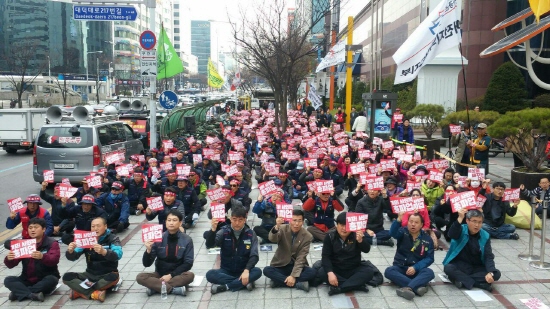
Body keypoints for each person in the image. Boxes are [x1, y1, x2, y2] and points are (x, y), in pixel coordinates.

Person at [63, 217, 123, 302]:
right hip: (89, 274)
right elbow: (73, 257)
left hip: (106, 274)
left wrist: (104, 252)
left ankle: (79, 291)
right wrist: (70, 251)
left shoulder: (112, 238)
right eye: (93, 226)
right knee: (67, 277)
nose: (95, 229)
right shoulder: (86, 239)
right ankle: (94, 294)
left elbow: (118, 255)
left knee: (114, 277)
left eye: (98, 226)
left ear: (105, 226)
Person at [136, 210, 195, 296]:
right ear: (165, 222)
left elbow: (188, 263)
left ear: (180, 223)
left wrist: (171, 275)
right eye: (169, 220)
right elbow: (146, 264)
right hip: (160, 274)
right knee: (140, 277)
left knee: (190, 275)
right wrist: (148, 251)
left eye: (174, 220)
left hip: (177, 274)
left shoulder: (187, 240)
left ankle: (157, 288)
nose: (171, 223)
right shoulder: (158, 238)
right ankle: (173, 290)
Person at [205, 206, 262, 293]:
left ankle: (225, 287)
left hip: (244, 269)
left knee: (258, 272)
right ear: (230, 219)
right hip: (226, 270)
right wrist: (213, 230)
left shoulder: (250, 234)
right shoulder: (223, 232)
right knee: (210, 274)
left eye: (240, 220)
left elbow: (254, 255)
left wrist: (246, 270)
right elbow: (210, 245)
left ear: (244, 220)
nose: (237, 223)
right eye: (234, 219)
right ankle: (243, 282)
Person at [443, 209, 501, 291]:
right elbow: (451, 234)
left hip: (476, 267)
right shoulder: (461, 229)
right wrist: (460, 218)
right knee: (448, 268)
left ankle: (460, 280)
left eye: (480, 222)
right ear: (467, 220)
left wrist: (491, 273)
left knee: (496, 274)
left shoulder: (485, 235)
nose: (477, 225)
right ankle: (478, 284)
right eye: (474, 221)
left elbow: (488, 256)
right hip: (460, 265)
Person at [4, 218, 60, 302]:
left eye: (36, 227)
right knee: (8, 280)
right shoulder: (24, 244)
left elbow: (54, 260)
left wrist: (42, 257)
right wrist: (9, 259)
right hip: (27, 279)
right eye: (30, 228)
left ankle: (19, 293)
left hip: (45, 277)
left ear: (44, 229)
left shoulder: (51, 243)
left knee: (51, 280)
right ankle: (31, 295)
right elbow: (11, 265)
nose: (33, 230)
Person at [317, 212, 373, 295]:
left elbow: (367, 250)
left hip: (353, 268)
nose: (344, 229)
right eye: (341, 225)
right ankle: (356, 285)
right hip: (336, 268)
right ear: (337, 225)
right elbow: (325, 256)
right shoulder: (329, 236)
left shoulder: (356, 235)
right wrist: (330, 273)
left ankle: (340, 288)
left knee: (369, 271)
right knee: (322, 272)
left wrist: (360, 241)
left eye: (347, 226)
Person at [385, 212, 434, 300]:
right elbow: (392, 233)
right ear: (407, 222)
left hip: (416, 270)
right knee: (389, 271)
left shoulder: (427, 239)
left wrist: (416, 267)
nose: (413, 224)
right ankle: (416, 287)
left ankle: (408, 288)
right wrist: (398, 220)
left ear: (421, 225)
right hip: (401, 268)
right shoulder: (402, 232)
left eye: (416, 222)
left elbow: (430, 258)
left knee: (429, 272)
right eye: (411, 221)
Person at [263, 210, 316, 291]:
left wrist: (293, 276)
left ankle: (279, 282)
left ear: (303, 221)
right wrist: (276, 226)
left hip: (296, 264)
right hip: (281, 264)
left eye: (299, 221)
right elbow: (272, 239)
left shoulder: (307, 236)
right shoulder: (282, 228)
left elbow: (301, 257)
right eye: (294, 220)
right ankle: (298, 283)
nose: (296, 224)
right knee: (267, 270)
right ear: (290, 220)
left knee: (312, 272)